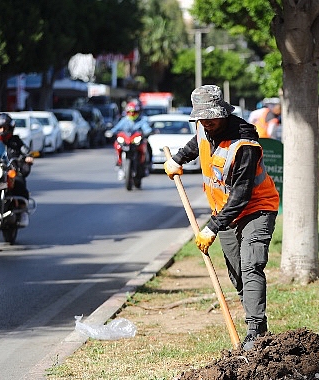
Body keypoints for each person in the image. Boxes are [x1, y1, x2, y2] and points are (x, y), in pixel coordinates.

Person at [164, 85, 279, 351]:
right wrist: (179, 159)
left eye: (211, 117)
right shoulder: (205, 128)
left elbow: (241, 195)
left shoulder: (244, 145)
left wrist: (212, 227)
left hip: (256, 209)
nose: (206, 122)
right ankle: (259, 329)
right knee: (237, 273)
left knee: (252, 265)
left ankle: (254, 331)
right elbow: (197, 143)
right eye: (202, 118)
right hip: (224, 213)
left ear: (224, 113)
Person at [107, 101, 152, 179]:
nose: (132, 114)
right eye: (130, 112)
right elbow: (116, 128)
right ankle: (119, 164)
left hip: (136, 142)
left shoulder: (142, 120)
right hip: (126, 142)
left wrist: (148, 132)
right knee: (117, 145)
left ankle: (146, 164)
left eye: (134, 112)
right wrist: (110, 132)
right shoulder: (124, 120)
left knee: (146, 146)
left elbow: (147, 129)